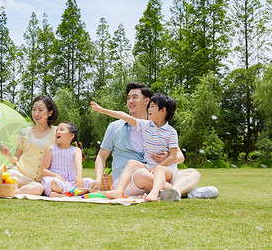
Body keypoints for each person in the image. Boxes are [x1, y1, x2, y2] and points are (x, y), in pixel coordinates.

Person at [89, 82, 218, 201]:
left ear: (147, 101)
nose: (130, 101)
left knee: (192, 172)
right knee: (143, 174)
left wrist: (167, 158)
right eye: (128, 98)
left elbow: (179, 157)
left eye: (134, 97)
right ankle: (188, 192)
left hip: (156, 171)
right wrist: (98, 179)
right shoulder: (115, 127)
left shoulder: (161, 129)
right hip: (129, 178)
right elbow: (102, 156)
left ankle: (174, 191)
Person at [91, 93, 179, 201]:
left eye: (152, 106)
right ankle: (119, 191)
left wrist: (157, 167)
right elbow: (123, 116)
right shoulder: (146, 126)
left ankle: (166, 191)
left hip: (165, 169)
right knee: (132, 163)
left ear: (162, 111)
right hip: (149, 167)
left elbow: (174, 156)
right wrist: (103, 110)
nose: (149, 109)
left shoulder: (171, 132)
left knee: (160, 171)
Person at [41, 122, 94, 197]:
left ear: (71, 135)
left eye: (61, 130)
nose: (57, 132)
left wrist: (79, 176)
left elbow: (78, 164)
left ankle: (62, 195)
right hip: (57, 180)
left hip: (71, 181)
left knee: (90, 182)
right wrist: (55, 175)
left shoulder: (76, 150)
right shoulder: (51, 149)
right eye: (57, 130)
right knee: (53, 182)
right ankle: (72, 193)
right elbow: (43, 170)